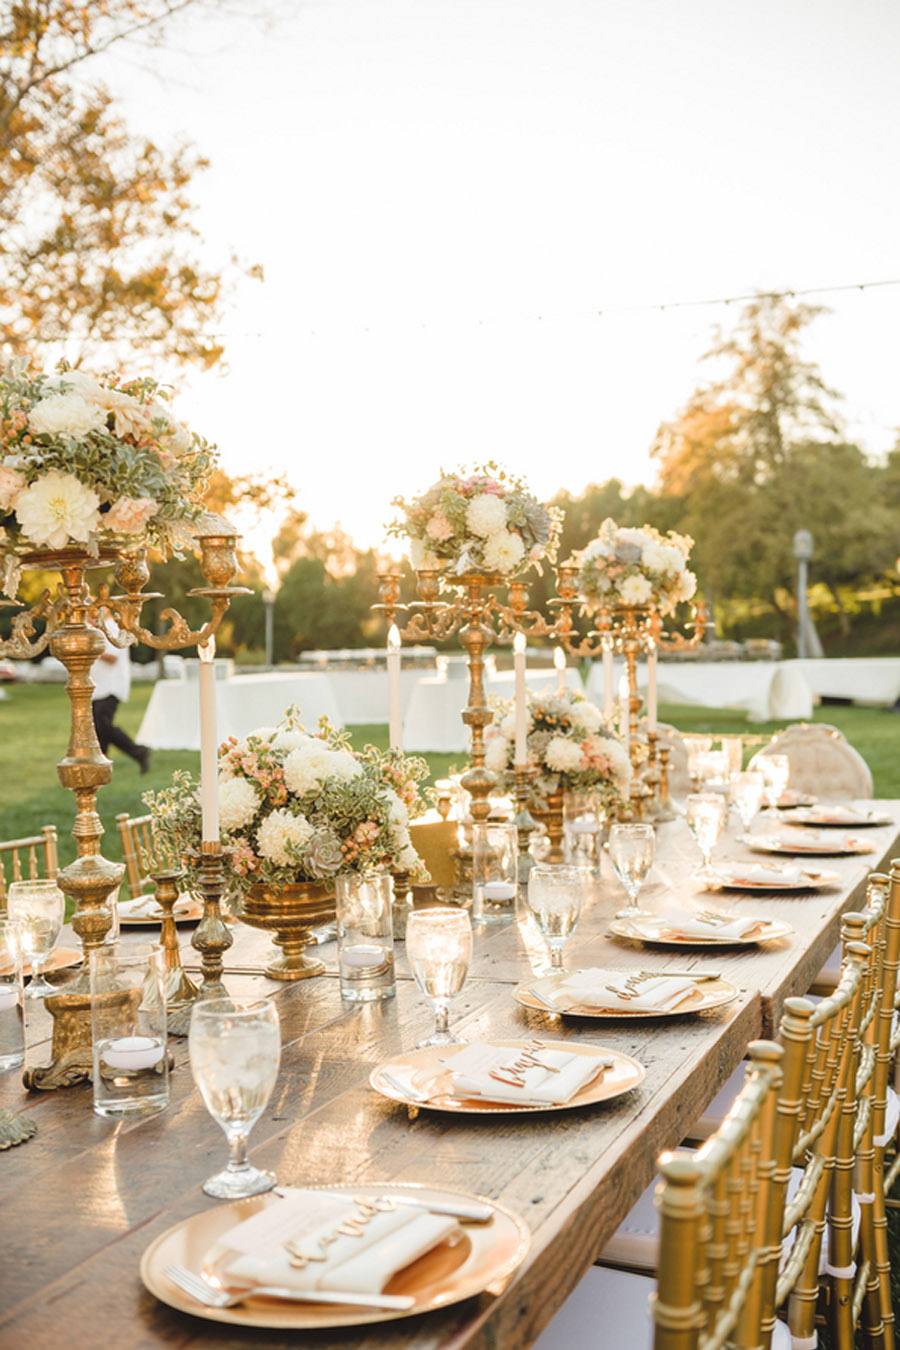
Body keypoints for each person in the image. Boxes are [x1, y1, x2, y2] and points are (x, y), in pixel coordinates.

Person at [91, 626, 151, 773]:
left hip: (111, 685)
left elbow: (112, 657)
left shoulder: (112, 627)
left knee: (101, 724)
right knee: (99, 726)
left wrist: (88, 648)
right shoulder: (96, 627)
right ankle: (101, 763)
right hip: (97, 687)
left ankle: (137, 752)